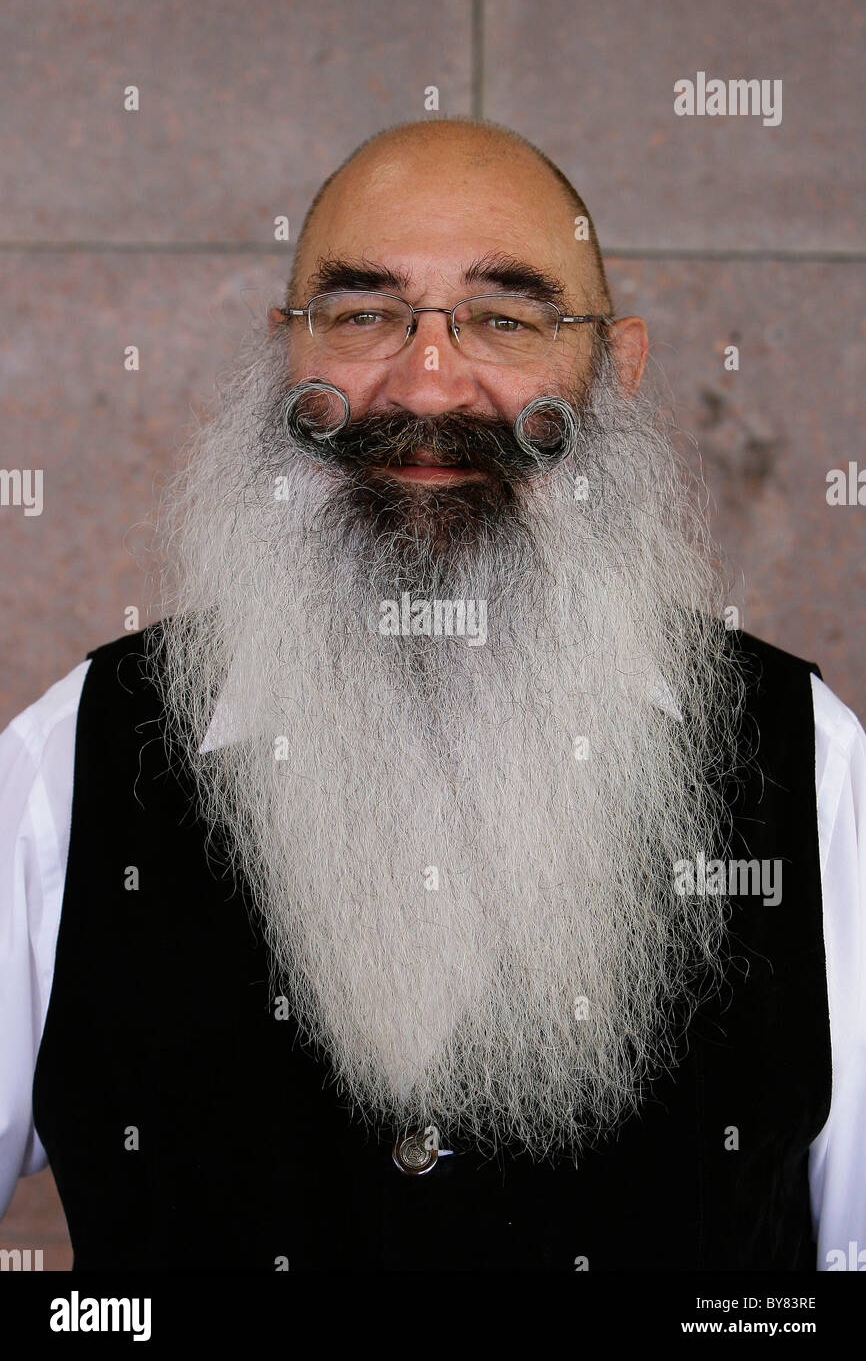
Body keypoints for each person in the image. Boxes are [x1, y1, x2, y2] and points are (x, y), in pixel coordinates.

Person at [1, 117, 864, 1272]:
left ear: (613, 366)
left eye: (505, 318)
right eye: (362, 314)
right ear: (287, 354)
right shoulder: (75, 757)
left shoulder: (804, 761)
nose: (426, 378)